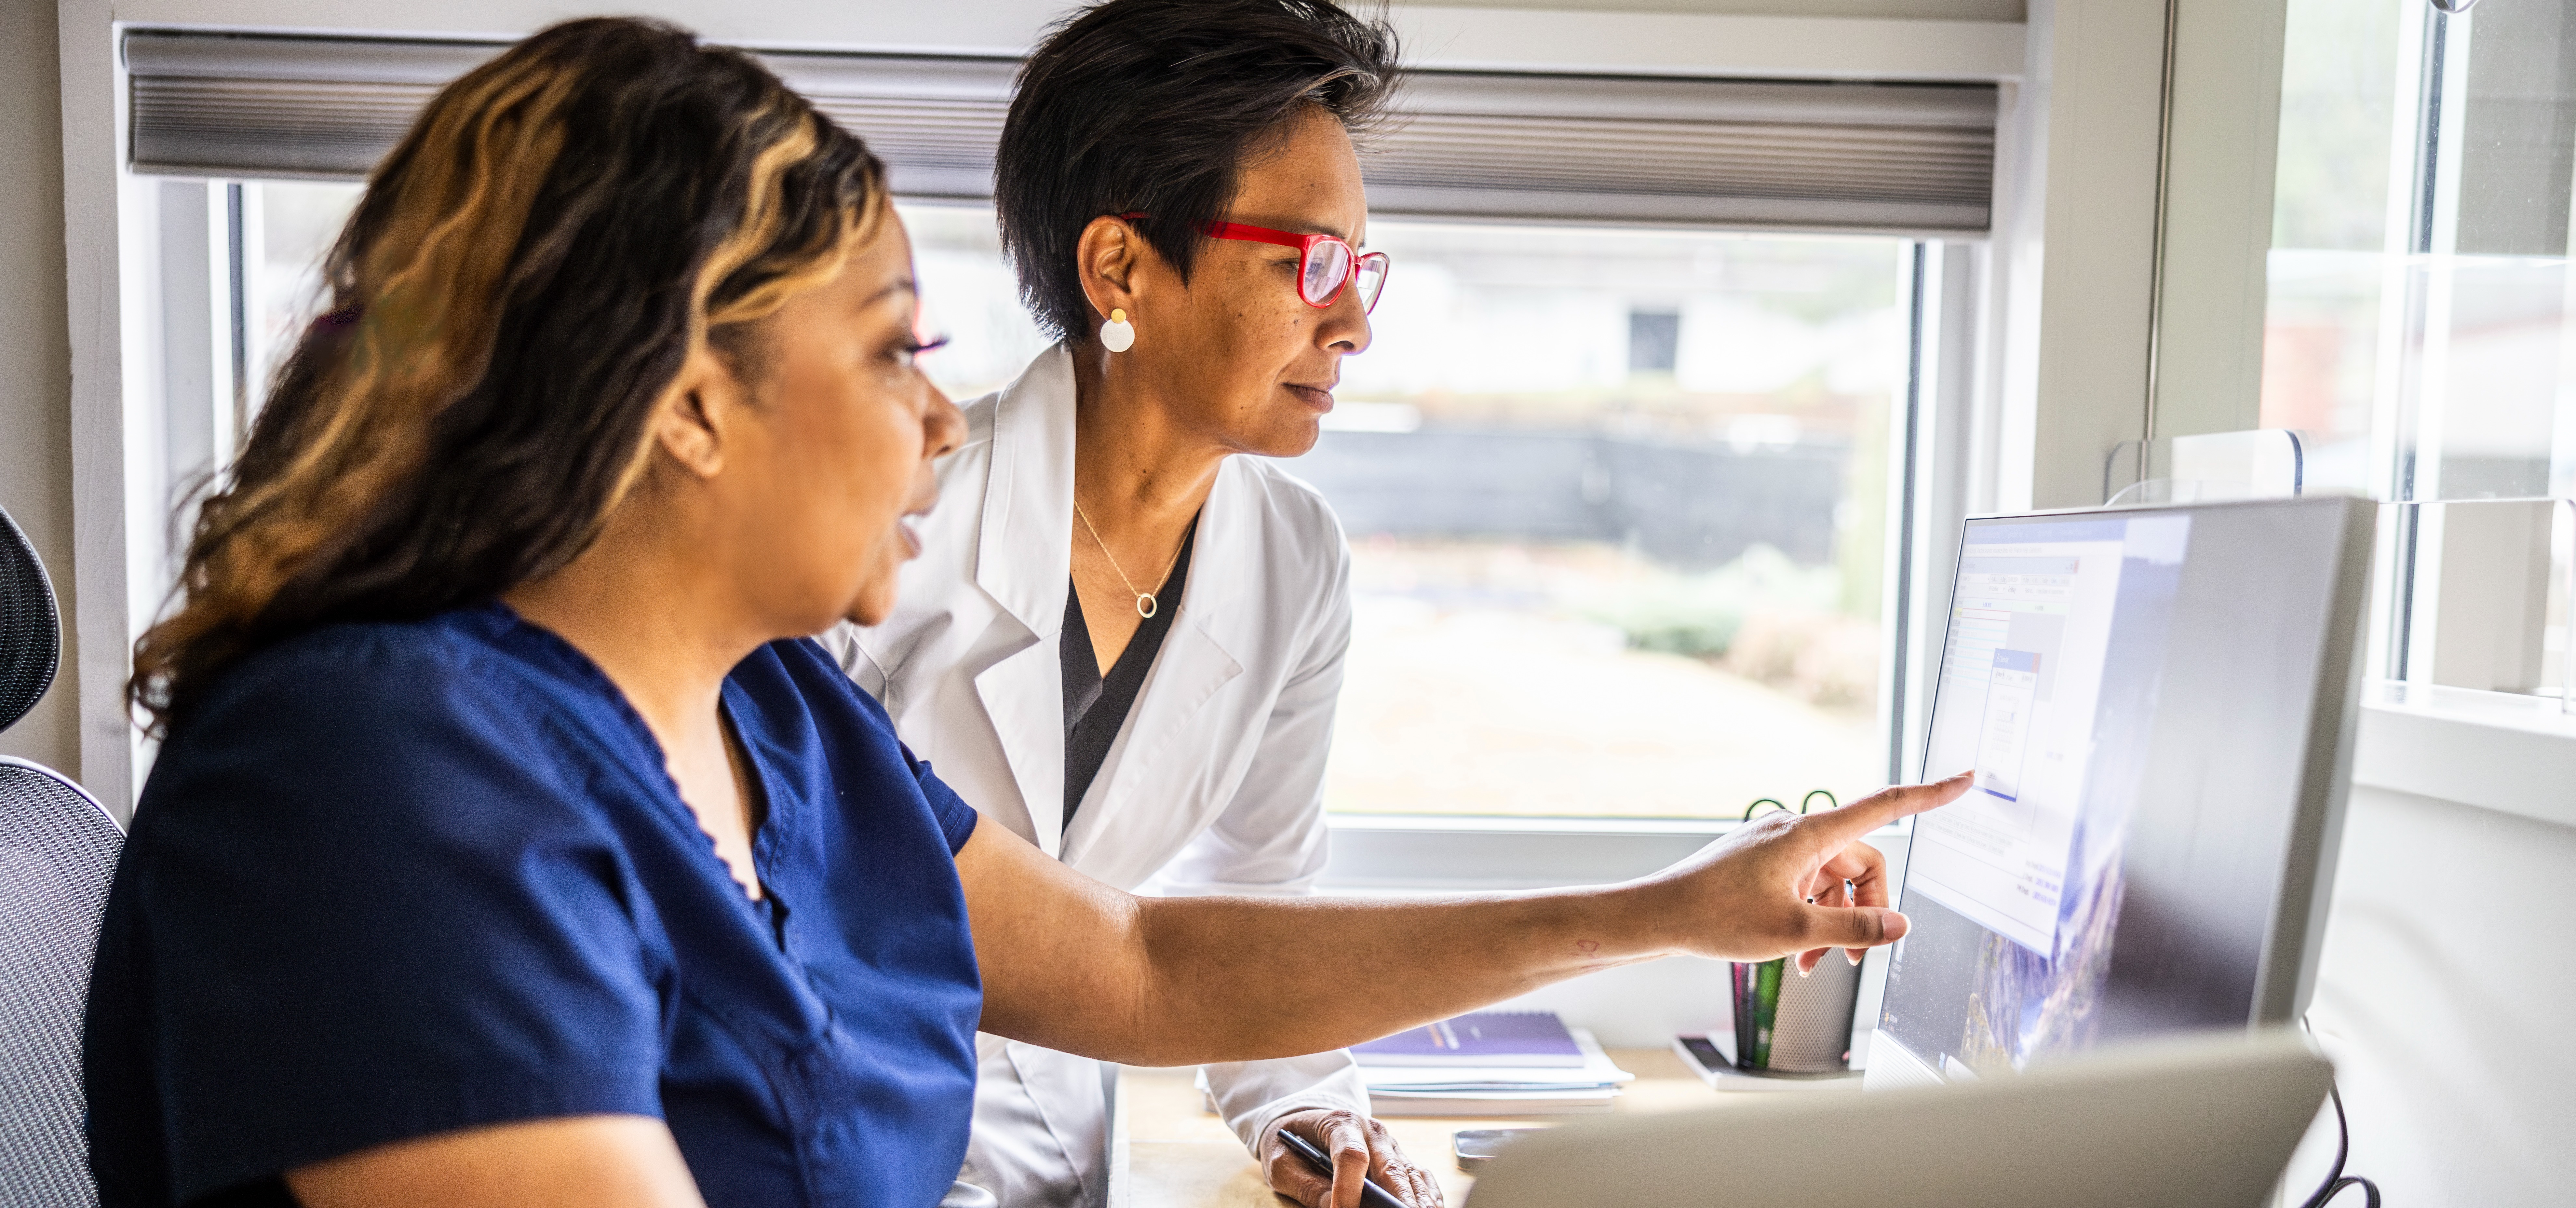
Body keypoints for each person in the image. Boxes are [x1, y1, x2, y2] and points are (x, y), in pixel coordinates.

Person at [85, 19, 1968, 1208]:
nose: (937, 411)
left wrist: (1677, 909)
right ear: (683, 400)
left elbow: (1142, 968)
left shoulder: (777, 728)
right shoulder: (384, 769)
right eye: (895, 349)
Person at [824, 3, 1415, 1203]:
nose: (1352, 322)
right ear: (1120, 268)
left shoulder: (1296, 560)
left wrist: (1303, 1100)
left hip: (1072, 1157)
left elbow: (1254, 897)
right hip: (852, 1143)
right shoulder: (891, 525)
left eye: (1358, 267)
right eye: (1309, 264)